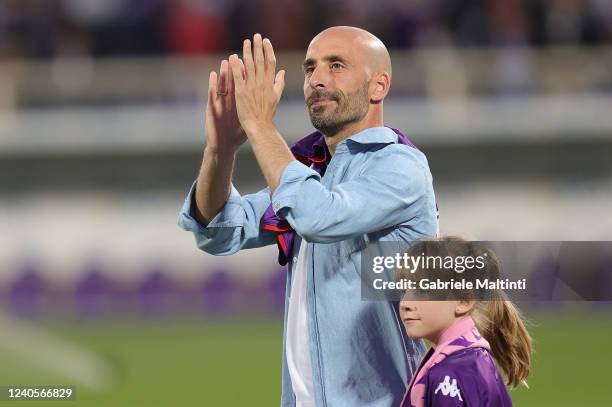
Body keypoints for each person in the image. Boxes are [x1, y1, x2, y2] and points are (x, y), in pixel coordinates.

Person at [178, 26, 438, 406]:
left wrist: (261, 126)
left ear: (378, 86)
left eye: (336, 66)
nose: (317, 80)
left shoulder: (400, 166)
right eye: (310, 68)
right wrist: (220, 152)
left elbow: (317, 217)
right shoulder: (313, 168)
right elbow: (218, 229)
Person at [397, 237, 532, 406]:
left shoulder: (447, 374)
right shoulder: (474, 358)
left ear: (463, 301)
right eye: (404, 289)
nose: (405, 303)